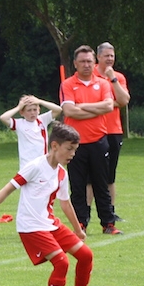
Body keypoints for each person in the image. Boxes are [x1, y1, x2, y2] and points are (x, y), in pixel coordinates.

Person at [0, 122, 96, 286]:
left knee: (86, 255)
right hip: (31, 226)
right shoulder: (35, 166)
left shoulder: (62, 173)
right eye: (69, 149)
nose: (73, 154)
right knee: (61, 263)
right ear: (55, 146)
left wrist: (77, 229)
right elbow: (9, 188)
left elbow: (65, 204)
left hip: (50, 223)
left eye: (75, 149)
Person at [59, 45, 122, 235]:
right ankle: (80, 223)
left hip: (98, 140)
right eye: (82, 61)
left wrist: (82, 106)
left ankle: (108, 224)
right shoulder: (68, 84)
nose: (86, 65)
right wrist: (96, 108)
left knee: (101, 184)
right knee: (78, 186)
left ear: (94, 63)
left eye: (89, 61)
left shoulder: (103, 83)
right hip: (74, 143)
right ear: (75, 64)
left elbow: (108, 106)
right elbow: (69, 111)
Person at [88, 42, 131, 221]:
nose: (110, 59)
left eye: (112, 56)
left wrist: (112, 79)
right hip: (94, 129)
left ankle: (110, 212)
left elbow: (123, 101)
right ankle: (85, 213)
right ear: (98, 57)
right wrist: (108, 104)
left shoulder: (118, 77)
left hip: (113, 130)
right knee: (90, 177)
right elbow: (88, 101)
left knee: (109, 176)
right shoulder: (89, 75)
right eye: (106, 55)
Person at [0, 95, 62, 168]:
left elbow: (58, 109)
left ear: (39, 110)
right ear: (22, 113)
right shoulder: (19, 124)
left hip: (43, 163)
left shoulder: (42, 120)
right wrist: (18, 107)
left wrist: (40, 101)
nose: (32, 113)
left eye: (35, 110)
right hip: (26, 164)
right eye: (29, 110)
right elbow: (3, 118)